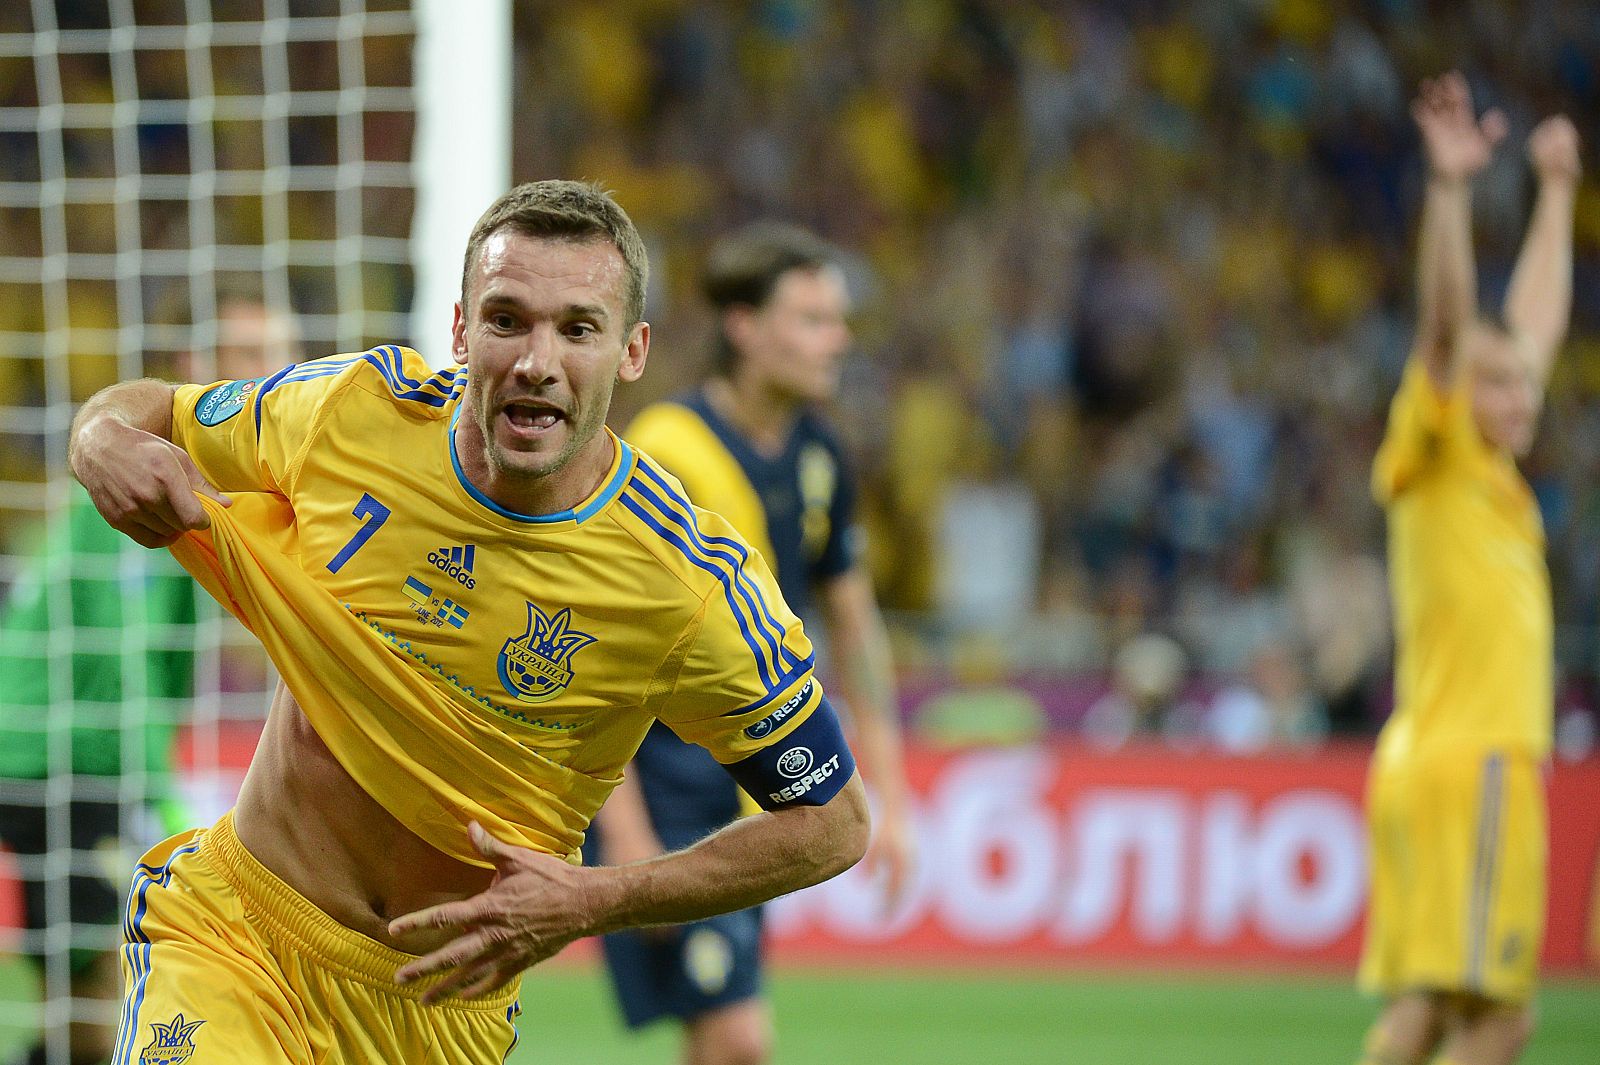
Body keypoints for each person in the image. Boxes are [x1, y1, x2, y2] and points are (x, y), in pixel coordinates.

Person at [67, 180, 871, 1064]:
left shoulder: (688, 585)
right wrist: (97, 438)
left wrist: (596, 897)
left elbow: (833, 822)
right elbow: (154, 411)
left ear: (632, 350)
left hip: (442, 1014)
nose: (537, 361)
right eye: (507, 320)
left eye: (578, 329)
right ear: (460, 329)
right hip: (241, 937)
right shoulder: (355, 412)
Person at [590, 222, 915, 1065]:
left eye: (838, 319)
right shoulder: (667, 450)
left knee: (721, 1041)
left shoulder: (820, 456)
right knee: (738, 1039)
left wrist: (892, 798)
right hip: (661, 783)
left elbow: (855, 628)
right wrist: (623, 827)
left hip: (754, 785)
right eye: (812, 319)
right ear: (743, 326)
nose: (837, 339)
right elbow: (603, 649)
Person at [0, 297, 300, 1065]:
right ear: (194, 368)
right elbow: (125, 650)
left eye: (284, 352)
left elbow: (168, 660)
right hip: (59, 760)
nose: (275, 372)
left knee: (87, 1007)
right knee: (117, 993)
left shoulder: (210, 486)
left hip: (72, 757)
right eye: (250, 353)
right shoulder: (142, 472)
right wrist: (158, 796)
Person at [1358, 73, 1579, 1065]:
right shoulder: (1440, 442)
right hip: (1478, 761)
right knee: (1503, 1018)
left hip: (1429, 756)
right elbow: (1449, 329)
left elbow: (1531, 325)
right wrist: (1448, 192)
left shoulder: (1488, 473)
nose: (1520, 397)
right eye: (1501, 386)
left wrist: (1556, 193)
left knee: (1428, 1011)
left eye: (1525, 387)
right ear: (1461, 391)